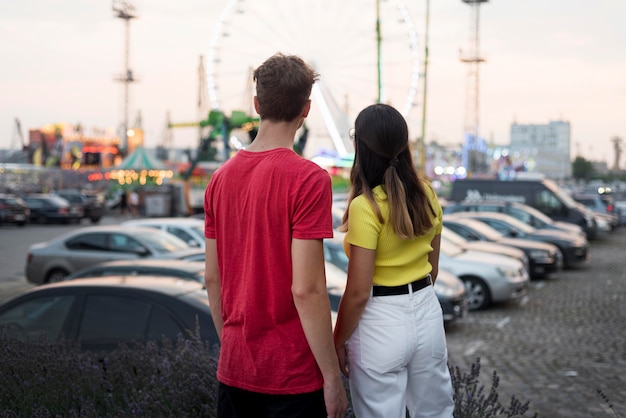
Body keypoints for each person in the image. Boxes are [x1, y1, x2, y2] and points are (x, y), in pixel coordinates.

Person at [203, 52, 348, 418]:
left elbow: (212, 278)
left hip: (234, 369)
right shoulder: (309, 180)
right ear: (307, 109)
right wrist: (332, 377)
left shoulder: (218, 180)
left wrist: (233, 346)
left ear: (256, 104)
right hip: (292, 377)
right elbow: (307, 289)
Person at [333, 103, 455, 418]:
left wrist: (337, 339)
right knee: (436, 413)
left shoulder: (365, 207)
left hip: (380, 321)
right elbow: (434, 268)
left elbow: (358, 293)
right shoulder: (427, 194)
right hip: (427, 311)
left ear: (361, 148)